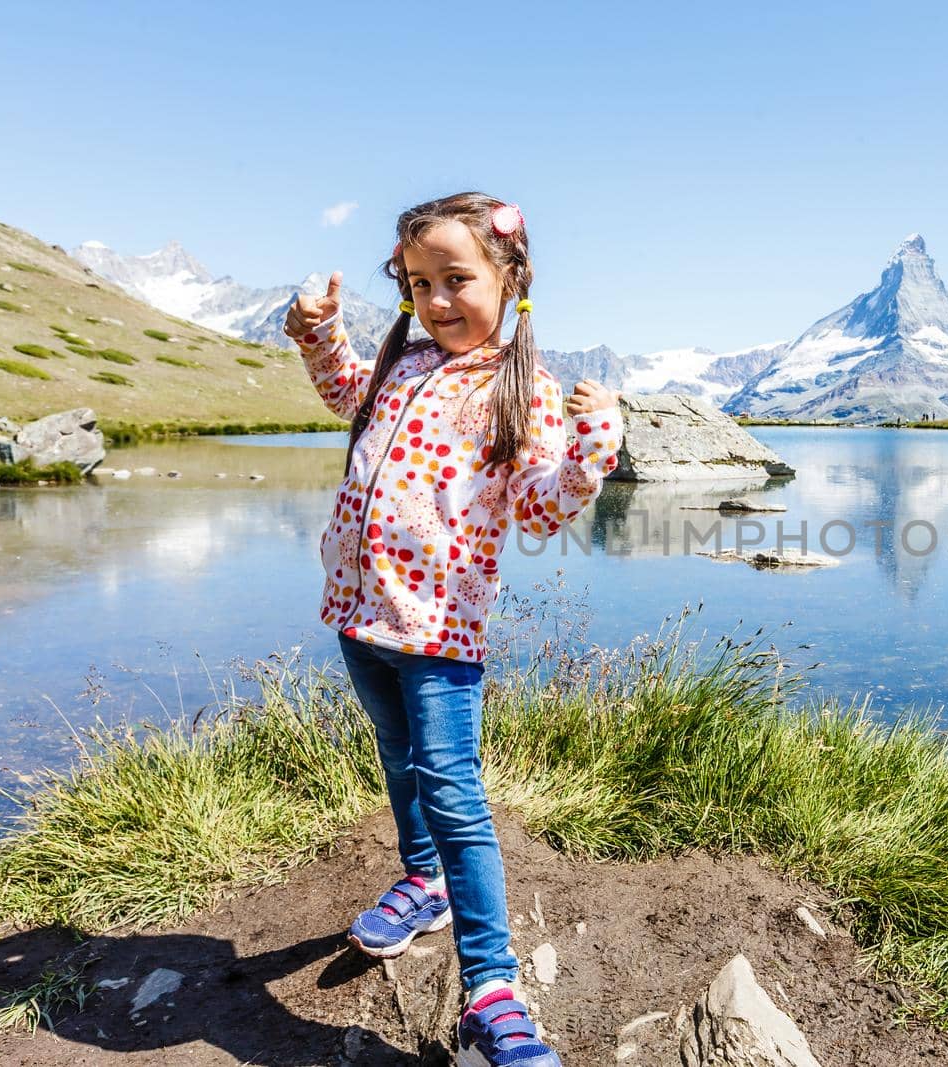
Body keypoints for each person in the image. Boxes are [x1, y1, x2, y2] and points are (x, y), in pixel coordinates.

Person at [284, 191, 622, 1067]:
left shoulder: (524, 388)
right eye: (417, 281)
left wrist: (591, 445)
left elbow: (543, 512)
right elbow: (339, 391)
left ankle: (491, 991)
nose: (436, 301)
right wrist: (317, 332)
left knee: (455, 793)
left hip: (439, 634)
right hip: (358, 618)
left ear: (513, 278)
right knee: (400, 764)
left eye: (456, 279)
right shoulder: (400, 369)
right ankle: (423, 881)